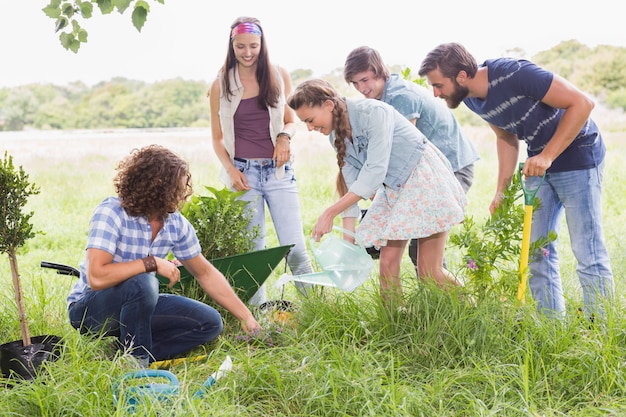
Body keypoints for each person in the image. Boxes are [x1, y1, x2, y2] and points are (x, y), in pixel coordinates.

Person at [418, 42, 614, 318]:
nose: (435, 93)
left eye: (438, 85)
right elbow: (505, 137)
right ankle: (551, 329)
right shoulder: (473, 98)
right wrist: (501, 190)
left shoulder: (514, 74)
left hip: (579, 157)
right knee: (536, 253)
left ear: (461, 76)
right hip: (539, 166)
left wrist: (546, 156)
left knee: (587, 250)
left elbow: (583, 104)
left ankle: (601, 328)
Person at [67, 145, 261, 368]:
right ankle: (137, 369)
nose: (183, 195)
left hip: (139, 303)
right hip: (90, 310)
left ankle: (123, 354)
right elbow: (97, 277)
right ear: (156, 188)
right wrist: (151, 263)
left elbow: (204, 273)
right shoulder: (112, 212)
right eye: (178, 189)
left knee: (209, 323)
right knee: (143, 280)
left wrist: (246, 316)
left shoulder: (175, 224)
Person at [287, 78, 467, 305]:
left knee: (429, 271)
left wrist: (330, 213)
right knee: (387, 264)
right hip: (395, 187)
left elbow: (374, 171)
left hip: (421, 177)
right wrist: (348, 242)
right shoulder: (336, 135)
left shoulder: (373, 112)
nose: (310, 128)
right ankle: (396, 323)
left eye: (310, 120)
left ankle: (472, 310)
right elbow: (352, 185)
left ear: (328, 105)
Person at [343, 46, 479, 273]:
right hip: (427, 170)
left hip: (450, 166)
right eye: (355, 84)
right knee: (415, 243)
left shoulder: (399, 97)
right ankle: (431, 300)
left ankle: (442, 303)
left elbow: (404, 155)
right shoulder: (381, 99)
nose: (361, 88)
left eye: (365, 80)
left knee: (425, 242)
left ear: (379, 71)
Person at [209, 16, 313, 306]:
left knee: (295, 249)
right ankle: (257, 318)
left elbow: (291, 120)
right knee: (252, 252)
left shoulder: (279, 74)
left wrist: (284, 137)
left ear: (262, 44)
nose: (247, 52)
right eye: (240, 46)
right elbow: (217, 138)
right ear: (232, 46)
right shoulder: (220, 84)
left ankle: (317, 309)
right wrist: (230, 170)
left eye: (253, 45)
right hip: (242, 174)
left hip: (278, 173)